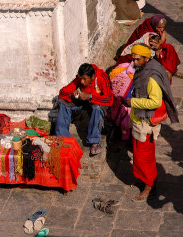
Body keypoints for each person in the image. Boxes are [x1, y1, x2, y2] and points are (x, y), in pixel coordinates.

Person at [123, 44, 179, 202]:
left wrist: (133, 102)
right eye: (133, 58)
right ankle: (143, 179)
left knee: (145, 157)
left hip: (146, 124)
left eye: (137, 59)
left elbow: (155, 102)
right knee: (138, 155)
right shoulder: (144, 68)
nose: (134, 61)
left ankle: (150, 186)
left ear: (146, 59)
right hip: (138, 120)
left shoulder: (152, 77)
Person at [55, 63, 113, 156]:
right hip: (84, 103)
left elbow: (109, 100)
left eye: (84, 79)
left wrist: (90, 97)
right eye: (80, 78)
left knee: (97, 107)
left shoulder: (102, 77)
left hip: (98, 104)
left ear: (92, 77)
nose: (81, 82)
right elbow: (62, 92)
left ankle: (94, 142)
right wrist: (71, 95)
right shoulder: (79, 78)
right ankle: (63, 138)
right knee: (63, 102)